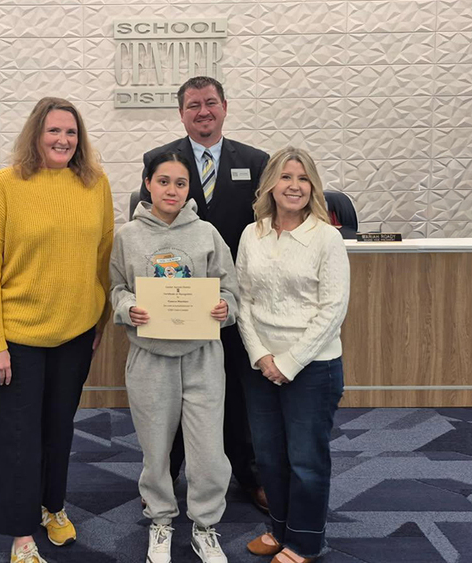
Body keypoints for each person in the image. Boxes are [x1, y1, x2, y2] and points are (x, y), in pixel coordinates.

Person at [0, 97, 114, 563]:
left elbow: (103, 257)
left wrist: (99, 319)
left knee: (58, 429)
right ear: (36, 134)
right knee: (17, 437)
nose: (63, 140)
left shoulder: (95, 184)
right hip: (18, 339)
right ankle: (20, 534)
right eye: (54, 130)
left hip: (75, 335)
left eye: (71, 132)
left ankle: (53, 506)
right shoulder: (5, 185)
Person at [140, 76, 270, 510]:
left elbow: (266, 225)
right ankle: (167, 476)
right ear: (181, 113)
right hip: (176, 301)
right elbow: (148, 229)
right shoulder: (160, 160)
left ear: (225, 107)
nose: (203, 112)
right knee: (175, 393)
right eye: (193, 105)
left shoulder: (255, 161)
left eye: (210, 103)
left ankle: (248, 474)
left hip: (231, 300)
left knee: (238, 389)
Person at [112, 151, 238, 563]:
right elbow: (115, 288)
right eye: (163, 181)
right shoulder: (128, 236)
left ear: (189, 189)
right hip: (150, 358)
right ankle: (161, 520)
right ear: (148, 184)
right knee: (156, 451)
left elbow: (231, 289)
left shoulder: (207, 234)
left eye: (180, 183)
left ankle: (205, 526)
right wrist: (128, 307)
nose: (172, 190)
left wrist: (224, 307)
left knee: (208, 451)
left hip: (202, 357)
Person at [236, 147, 350, 563]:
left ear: (313, 187)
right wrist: (261, 356)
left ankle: (303, 543)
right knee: (269, 457)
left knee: (306, 460)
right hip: (261, 366)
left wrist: (288, 363)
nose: (294, 186)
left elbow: (332, 310)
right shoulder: (252, 234)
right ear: (270, 184)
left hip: (313, 367)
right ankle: (279, 529)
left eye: (303, 179)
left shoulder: (326, 237)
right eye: (286, 177)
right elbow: (243, 301)